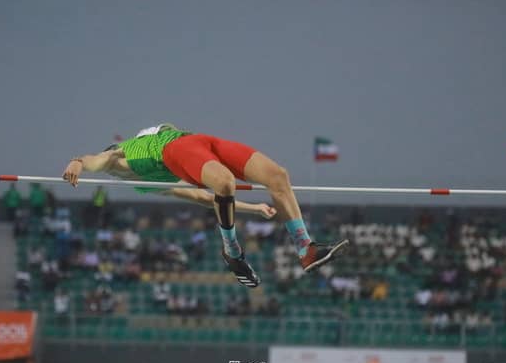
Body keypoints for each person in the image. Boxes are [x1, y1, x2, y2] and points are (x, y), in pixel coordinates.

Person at [62, 123, 347, 287]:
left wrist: (255, 208)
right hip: (175, 151)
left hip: (198, 141)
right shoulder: (123, 164)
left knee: (277, 176)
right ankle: (232, 252)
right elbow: (96, 160)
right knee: (224, 182)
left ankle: (305, 248)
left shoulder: (129, 154)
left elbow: (209, 199)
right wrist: (79, 161)